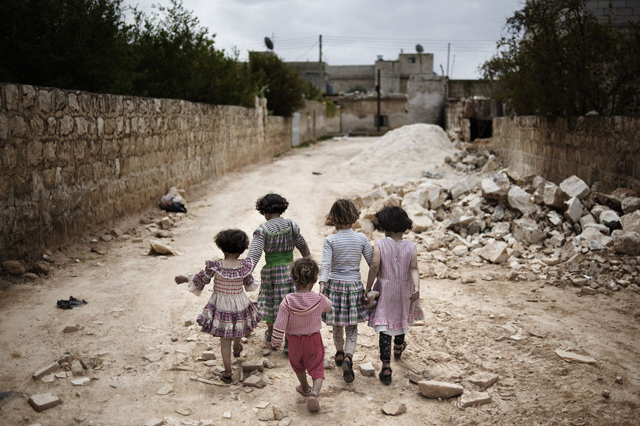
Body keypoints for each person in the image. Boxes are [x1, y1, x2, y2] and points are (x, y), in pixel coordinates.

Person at [175, 229, 261, 384]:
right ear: (242, 249)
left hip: (221, 304)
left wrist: (184, 278)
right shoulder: (245, 266)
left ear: (221, 246)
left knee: (224, 339)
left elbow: (201, 280)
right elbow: (249, 285)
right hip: (239, 301)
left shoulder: (215, 266)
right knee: (237, 326)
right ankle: (237, 346)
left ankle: (228, 372)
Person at [365, 206, 424, 385]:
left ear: (385, 227)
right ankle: (398, 348)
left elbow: (374, 267)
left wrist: (368, 287)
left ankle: (386, 366)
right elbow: (414, 268)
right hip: (405, 291)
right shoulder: (411, 246)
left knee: (385, 327)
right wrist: (416, 287)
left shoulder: (380, 245)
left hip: (385, 289)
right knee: (400, 319)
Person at [247, 193, 311, 351]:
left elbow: (254, 253)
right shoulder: (291, 226)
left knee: (271, 302)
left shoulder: (263, 230)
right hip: (291, 270)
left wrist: (247, 271)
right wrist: (307, 259)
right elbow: (302, 244)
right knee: (290, 303)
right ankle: (289, 341)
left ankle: (271, 334)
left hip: (272, 272)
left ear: (264, 211)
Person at [319, 199, 373, 383]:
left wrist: (322, 287)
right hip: (354, 287)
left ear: (333, 219)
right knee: (352, 327)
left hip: (335, 287)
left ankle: (339, 353)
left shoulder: (331, 240)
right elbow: (372, 262)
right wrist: (372, 287)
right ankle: (349, 357)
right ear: (354, 218)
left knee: (337, 325)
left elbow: (325, 265)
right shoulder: (361, 238)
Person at [272, 258, 331, 413]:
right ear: (315, 279)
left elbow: (280, 323)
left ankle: (304, 387)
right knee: (317, 366)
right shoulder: (319, 298)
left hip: (294, 341)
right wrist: (323, 297)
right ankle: (315, 393)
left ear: (293, 278)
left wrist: (276, 340)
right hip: (313, 339)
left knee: (298, 364)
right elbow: (329, 307)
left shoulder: (288, 301)